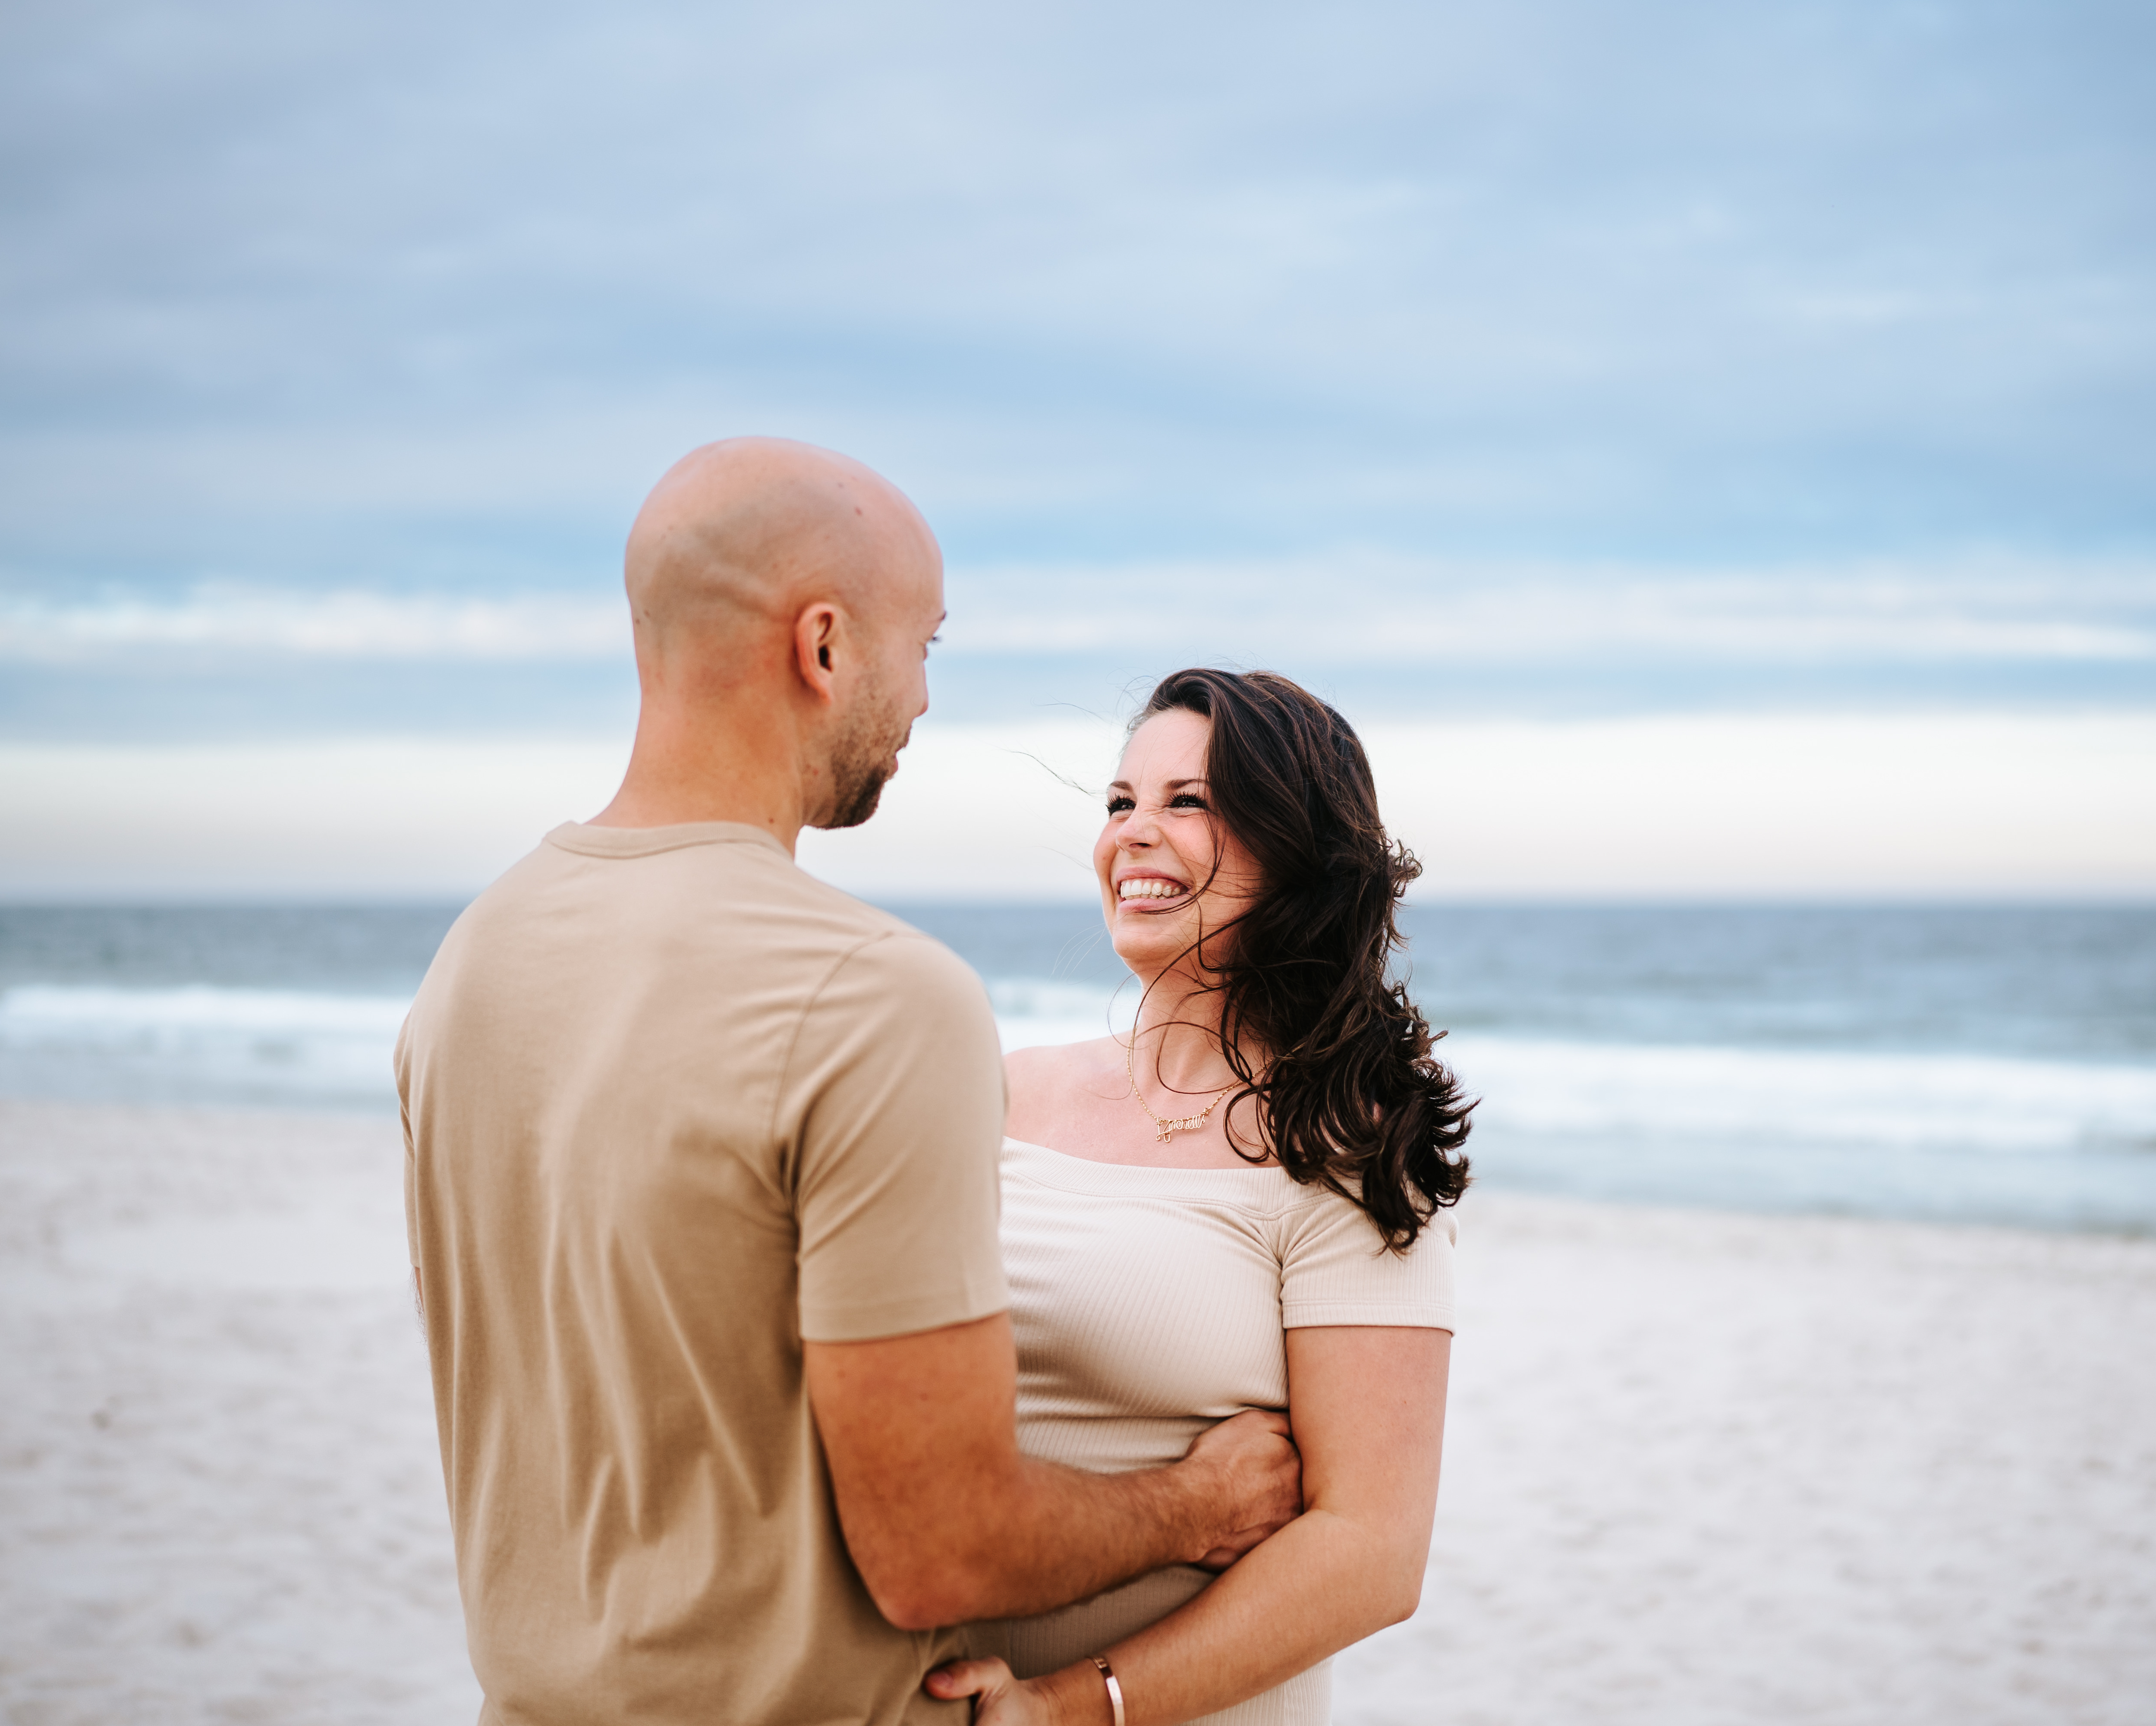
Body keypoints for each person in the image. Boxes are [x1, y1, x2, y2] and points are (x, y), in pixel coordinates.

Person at [395, 441, 1302, 1726]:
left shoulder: (473, 961)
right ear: (824, 647)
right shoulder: (875, 997)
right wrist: (1198, 1504)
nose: (926, 696)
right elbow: (943, 1546)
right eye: (924, 643)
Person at [926, 668, 1475, 1726]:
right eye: (1121, 801)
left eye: (1189, 801)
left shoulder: (1349, 1149)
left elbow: (1371, 1550)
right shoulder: (994, 1092)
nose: (1133, 833)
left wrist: (1064, 1709)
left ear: (1295, 848)